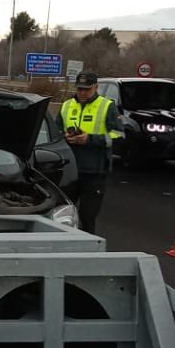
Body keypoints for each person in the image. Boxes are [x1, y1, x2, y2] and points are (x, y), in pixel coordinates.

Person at [57, 69, 123, 235]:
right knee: (62, 217)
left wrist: (91, 139)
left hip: (94, 171)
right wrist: (65, 137)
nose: (82, 92)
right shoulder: (66, 106)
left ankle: (88, 251)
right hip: (69, 170)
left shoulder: (107, 106)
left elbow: (119, 135)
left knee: (87, 216)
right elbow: (55, 133)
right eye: (79, 89)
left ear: (96, 87)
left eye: (86, 89)